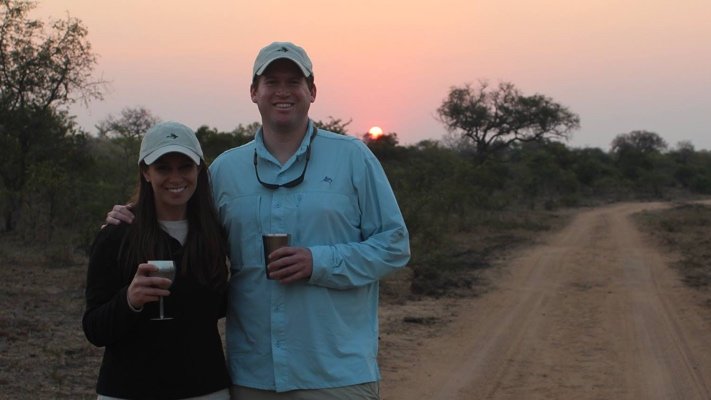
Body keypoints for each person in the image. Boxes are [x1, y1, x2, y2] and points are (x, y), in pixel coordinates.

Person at [106, 42, 410, 399]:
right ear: (254, 92)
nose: (283, 91)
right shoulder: (225, 171)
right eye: (271, 81)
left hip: (335, 372)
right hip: (253, 374)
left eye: (294, 81)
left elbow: (394, 245)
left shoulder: (353, 158)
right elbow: (179, 225)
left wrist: (319, 261)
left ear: (311, 91)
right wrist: (130, 214)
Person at [84, 121, 231, 400]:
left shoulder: (214, 232)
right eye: (163, 168)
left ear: (199, 169)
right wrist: (129, 300)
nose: (175, 178)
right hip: (129, 390)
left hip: (204, 388)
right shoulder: (118, 235)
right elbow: (94, 328)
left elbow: (219, 304)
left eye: (185, 167)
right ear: (145, 172)